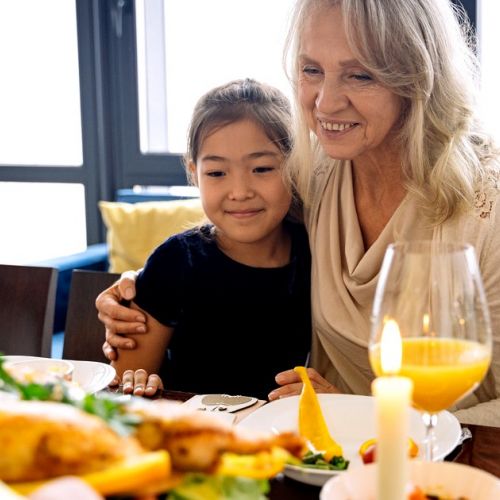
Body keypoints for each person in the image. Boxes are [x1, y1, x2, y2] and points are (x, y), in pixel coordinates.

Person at [97, 0, 500, 426]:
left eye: (360, 75)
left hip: (459, 460)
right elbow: (241, 224)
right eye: (311, 70)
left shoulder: (485, 209)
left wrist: (361, 414)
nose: (325, 104)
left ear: (419, 77)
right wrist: (141, 286)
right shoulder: (315, 173)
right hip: (321, 454)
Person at [102, 78, 311, 401]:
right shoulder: (176, 261)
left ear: (294, 166)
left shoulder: (318, 252)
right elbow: (121, 388)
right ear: (194, 172)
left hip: (283, 439)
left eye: (262, 168)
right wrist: (139, 384)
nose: (240, 192)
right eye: (216, 173)